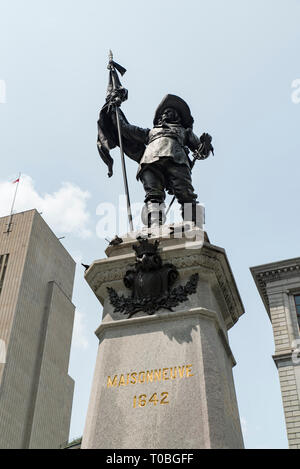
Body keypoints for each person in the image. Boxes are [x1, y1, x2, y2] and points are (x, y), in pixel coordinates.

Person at [114, 94, 213, 227]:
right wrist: (115, 110)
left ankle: (193, 224)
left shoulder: (185, 131)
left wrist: (205, 145)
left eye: (170, 112)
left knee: (185, 193)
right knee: (153, 194)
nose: (166, 114)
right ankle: (154, 224)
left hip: (177, 159)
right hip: (150, 160)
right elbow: (125, 129)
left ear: (177, 116)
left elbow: (200, 153)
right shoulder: (150, 132)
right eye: (164, 112)